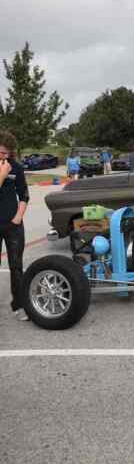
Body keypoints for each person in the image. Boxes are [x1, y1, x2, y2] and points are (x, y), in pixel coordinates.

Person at [0, 130, 30, 321]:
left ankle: (19, 305)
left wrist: (18, 217)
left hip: (13, 225)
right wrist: (3, 174)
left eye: (7, 153)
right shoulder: (5, 169)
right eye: (0, 152)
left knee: (16, 266)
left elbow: (24, 194)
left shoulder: (16, 167)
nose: (4, 156)